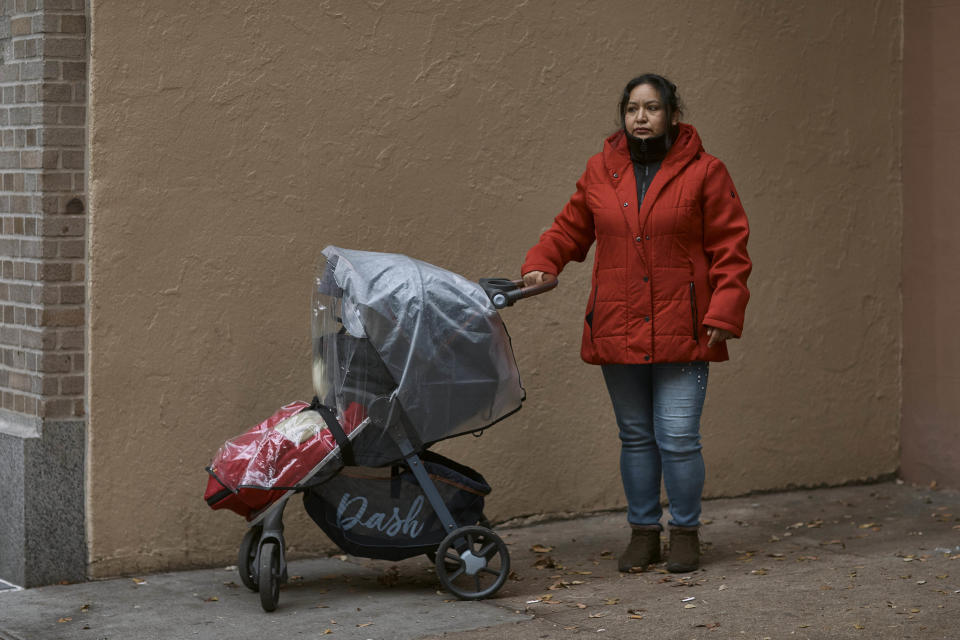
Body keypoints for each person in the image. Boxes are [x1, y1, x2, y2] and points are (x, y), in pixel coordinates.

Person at [520, 73, 751, 573]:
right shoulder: (601, 170)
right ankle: (643, 533)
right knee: (636, 437)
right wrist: (543, 262)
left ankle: (685, 532)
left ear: (672, 114)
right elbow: (570, 227)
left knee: (679, 438)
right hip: (617, 323)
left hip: (683, 327)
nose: (640, 118)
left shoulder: (707, 172)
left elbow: (730, 249)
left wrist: (726, 311)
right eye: (632, 109)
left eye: (651, 108)